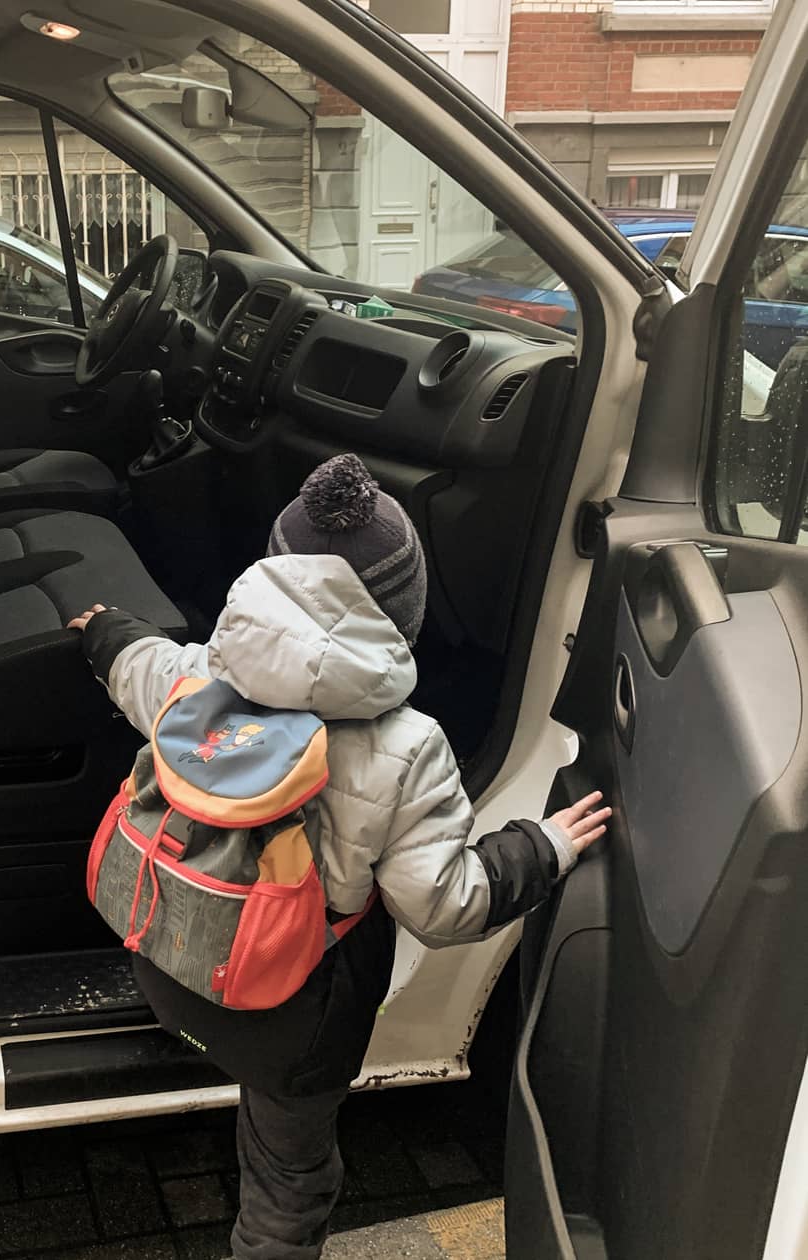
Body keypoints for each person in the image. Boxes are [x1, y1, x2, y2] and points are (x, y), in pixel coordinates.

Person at [67, 453, 609, 1260]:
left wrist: (102, 628)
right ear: (404, 608)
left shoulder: (203, 673)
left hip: (173, 963)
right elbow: (443, 904)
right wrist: (547, 843)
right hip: (293, 1018)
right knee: (292, 1181)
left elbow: (137, 669)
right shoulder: (408, 744)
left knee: (258, 1094)